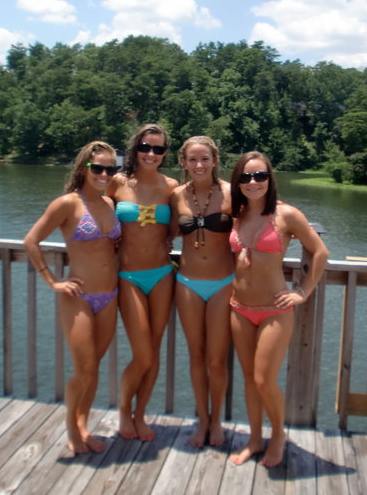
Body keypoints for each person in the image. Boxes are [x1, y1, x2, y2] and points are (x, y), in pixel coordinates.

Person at [227, 151, 329, 467]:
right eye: (245, 177)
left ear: (270, 179)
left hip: (274, 309)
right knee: (248, 377)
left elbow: (320, 252)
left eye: (259, 176)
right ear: (238, 182)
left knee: (264, 380)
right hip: (238, 307)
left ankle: (278, 436)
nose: (253, 182)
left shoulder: (286, 215)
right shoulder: (237, 213)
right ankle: (255, 439)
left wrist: (303, 291)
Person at [23, 141, 121, 455]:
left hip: (110, 295)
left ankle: (83, 425)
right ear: (84, 168)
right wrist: (52, 281)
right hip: (79, 296)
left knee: (95, 368)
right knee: (85, 370)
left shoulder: (110, 203)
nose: (105, 174)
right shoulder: (67, 203)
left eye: (111, 168)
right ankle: (71, 428)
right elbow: (31, 240)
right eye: (98, 168)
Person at [106, 123, 178, 440]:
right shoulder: (117, 183)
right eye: (146, 147)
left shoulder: (172, 187)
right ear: (135, 148)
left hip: (162, 275)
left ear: (165, 153)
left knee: (155, 352)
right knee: (143, 354)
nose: (151, 153)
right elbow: (88, 208)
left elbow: (181, 224)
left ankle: (140, 413)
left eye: (158, 149)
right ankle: (123, 411)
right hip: (129, 276)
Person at [169, 136, 234, 448]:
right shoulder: (175, 196)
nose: (198, 165)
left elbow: (264, 217)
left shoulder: (233, 193)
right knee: (196, 355)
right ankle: (202, 420)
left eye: (204, 159)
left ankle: (218, 419)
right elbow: (161, 234)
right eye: (192, 159)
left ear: (214, 160)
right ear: (183, 162)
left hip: (224, 283)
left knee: (217, 360)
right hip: (188, 284)